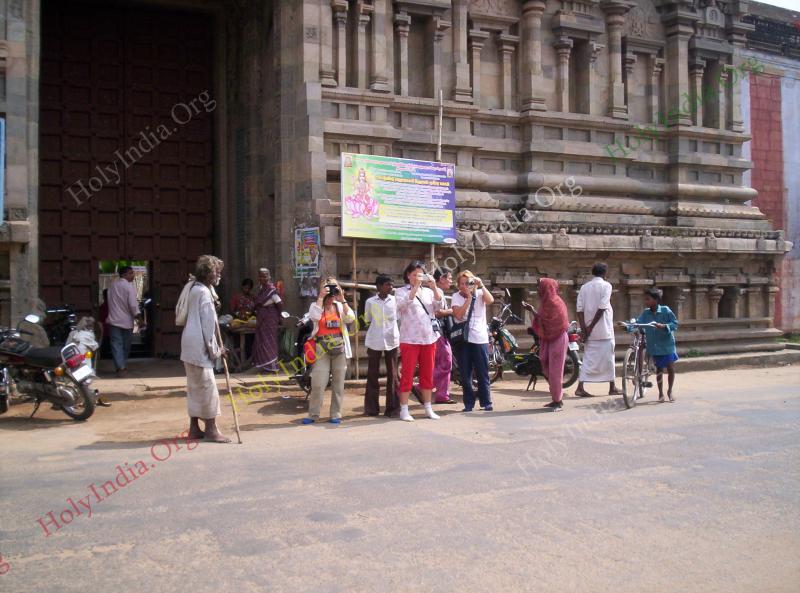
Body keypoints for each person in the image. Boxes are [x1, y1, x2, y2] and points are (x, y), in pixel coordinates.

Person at [180, 255, 229, 443]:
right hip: (198, 344)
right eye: (216, 271)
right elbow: (209, 328)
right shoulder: (204, 293)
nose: (218, 275)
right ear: (208, 273)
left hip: (189, 343)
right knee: (208, 389)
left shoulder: (194, 288)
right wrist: (217, 351)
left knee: (194, 387)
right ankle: (211, 429)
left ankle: (194, 428)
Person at [395, 261, 444, 421]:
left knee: (427, 374)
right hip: (410, 339)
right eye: (414, 274)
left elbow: (439, 306)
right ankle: (404, 409)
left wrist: (434, 286)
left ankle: (428, 408)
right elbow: (403, 306)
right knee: (407, 374)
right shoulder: (400, 291)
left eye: (420, 274)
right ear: (408, 275)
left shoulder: (429, 292)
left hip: (428, 338)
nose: (417, 277)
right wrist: (415, 287)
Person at [303, 277, 356, 424]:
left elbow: (350, 318)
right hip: (321, 349)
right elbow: (314, 317)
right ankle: (313, 414)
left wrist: (342, 298)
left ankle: (336, 414)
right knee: (318, 383)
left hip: (339, 348)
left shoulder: (339, 306)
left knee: (338, 384)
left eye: (334, 287)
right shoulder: (315, 305)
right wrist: (321, 297)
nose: (331, 291)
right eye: (328, 288)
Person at [575, 262, 622, 397]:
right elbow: (602, 307)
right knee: (609, 358)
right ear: (604, 273)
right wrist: (590, 327)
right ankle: (612, 387)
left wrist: (584, 328)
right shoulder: (606, 286)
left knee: (588, 359)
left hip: (590, 331)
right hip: (603, 329)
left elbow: (579, 309)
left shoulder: (584, 287)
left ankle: (580, 387)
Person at [451, 270, 495, 412]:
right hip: (463, 339)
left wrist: (481, 285)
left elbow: (490, 301)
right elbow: (457, 315)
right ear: (458, 285)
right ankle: (468, 403)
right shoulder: (456, 297)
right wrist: (468, 300)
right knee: (465, 373)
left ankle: (486, 402)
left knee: (482, 371)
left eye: (468, 283)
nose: (465, 286)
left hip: (480, 337)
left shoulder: (480, 293)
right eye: (462, 284)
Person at [523, 278, 569, 411]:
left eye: (540, 287)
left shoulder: (556, 303)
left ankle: (558, 401)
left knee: (555, 371)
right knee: (545, 365)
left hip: (558, 338)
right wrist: (532, 310)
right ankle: (555, 398)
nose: (538, 290)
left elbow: (555, 323)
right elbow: (544, 320)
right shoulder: (545, 303)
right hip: (548, 339)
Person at [631, 287, 679, 402]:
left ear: (656, 300)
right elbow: (638, 322)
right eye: (645, 299)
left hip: (667, 344)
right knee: (659, 370)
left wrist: (664, 326)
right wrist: (629, 326)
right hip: (655, 346)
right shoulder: (646, 313)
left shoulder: (665, 310)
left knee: (671, 368)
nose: (646, 302)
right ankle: (661, 393)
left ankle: (670, 390)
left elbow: (675, 323)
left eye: (648, 299)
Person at [363, 274, 399, 417]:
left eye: (391, 284)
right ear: (378, 287)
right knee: (372, 374)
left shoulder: (396, 301)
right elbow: (367, 319)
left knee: (393, 375)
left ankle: (393, 409)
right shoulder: (370, 302)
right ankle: (371, 409)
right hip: (374, 341)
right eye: (387, 284)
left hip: (392, 341)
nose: (390, 287)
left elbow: (399, 319)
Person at [106, 266, 140, 376]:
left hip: (113, 320)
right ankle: (121, 366)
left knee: (116, 345)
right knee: (125, 345)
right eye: (130, 273)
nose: (133, 275)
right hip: (126, 321)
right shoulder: (129, 287)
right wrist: (139, 318)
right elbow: (133, 305)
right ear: (124, 275)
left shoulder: (112, 286)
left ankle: (120, 366)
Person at [432, 269, 456, 404]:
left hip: (438, 331)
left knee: (439, 363)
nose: (451, 281)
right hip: (438, 331)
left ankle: (441, 394)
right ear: (441, 278)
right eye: (449, 278)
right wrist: (452, 311)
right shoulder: (437, 291)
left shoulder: (436, 291)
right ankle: (424, 386)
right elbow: (437, 312)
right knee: (446, 361)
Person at [252, 268, 282, 373]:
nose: (263, 278)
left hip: (270, 318)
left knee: (269, 341)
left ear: (269, 277)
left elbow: (279, 304)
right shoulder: (261, 290)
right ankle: (265, 365)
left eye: (265, 276)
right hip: (261, 317)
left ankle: (272, 366)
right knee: (262, 341)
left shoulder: (272, 290)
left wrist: (280, 317)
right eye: (261, 276)